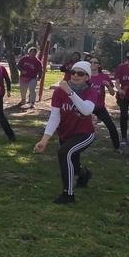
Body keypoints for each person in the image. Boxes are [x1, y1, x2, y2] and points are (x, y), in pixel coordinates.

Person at [33, 61, 97, 204]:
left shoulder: (91, 91)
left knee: (64, 153)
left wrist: (70, 92)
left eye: (80, 73)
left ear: (87, 77)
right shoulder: (59, 91)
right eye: (73, 72)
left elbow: (86, 110)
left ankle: (68, 195)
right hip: (66, 134)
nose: (75, 76)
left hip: (85, 134)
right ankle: (85, 174)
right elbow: (55, 116)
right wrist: (44, 140)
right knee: (72, 166)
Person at [87, 57, 121, 151]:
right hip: (87, 107)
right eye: (91, 62)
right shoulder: (85, 76)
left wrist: (108, 86)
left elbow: (112, 93)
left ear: (99, 65)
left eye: (95, 62)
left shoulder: (104, 77)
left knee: (111, 127)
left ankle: (117, 147)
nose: (92, 64)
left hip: (99, 107)